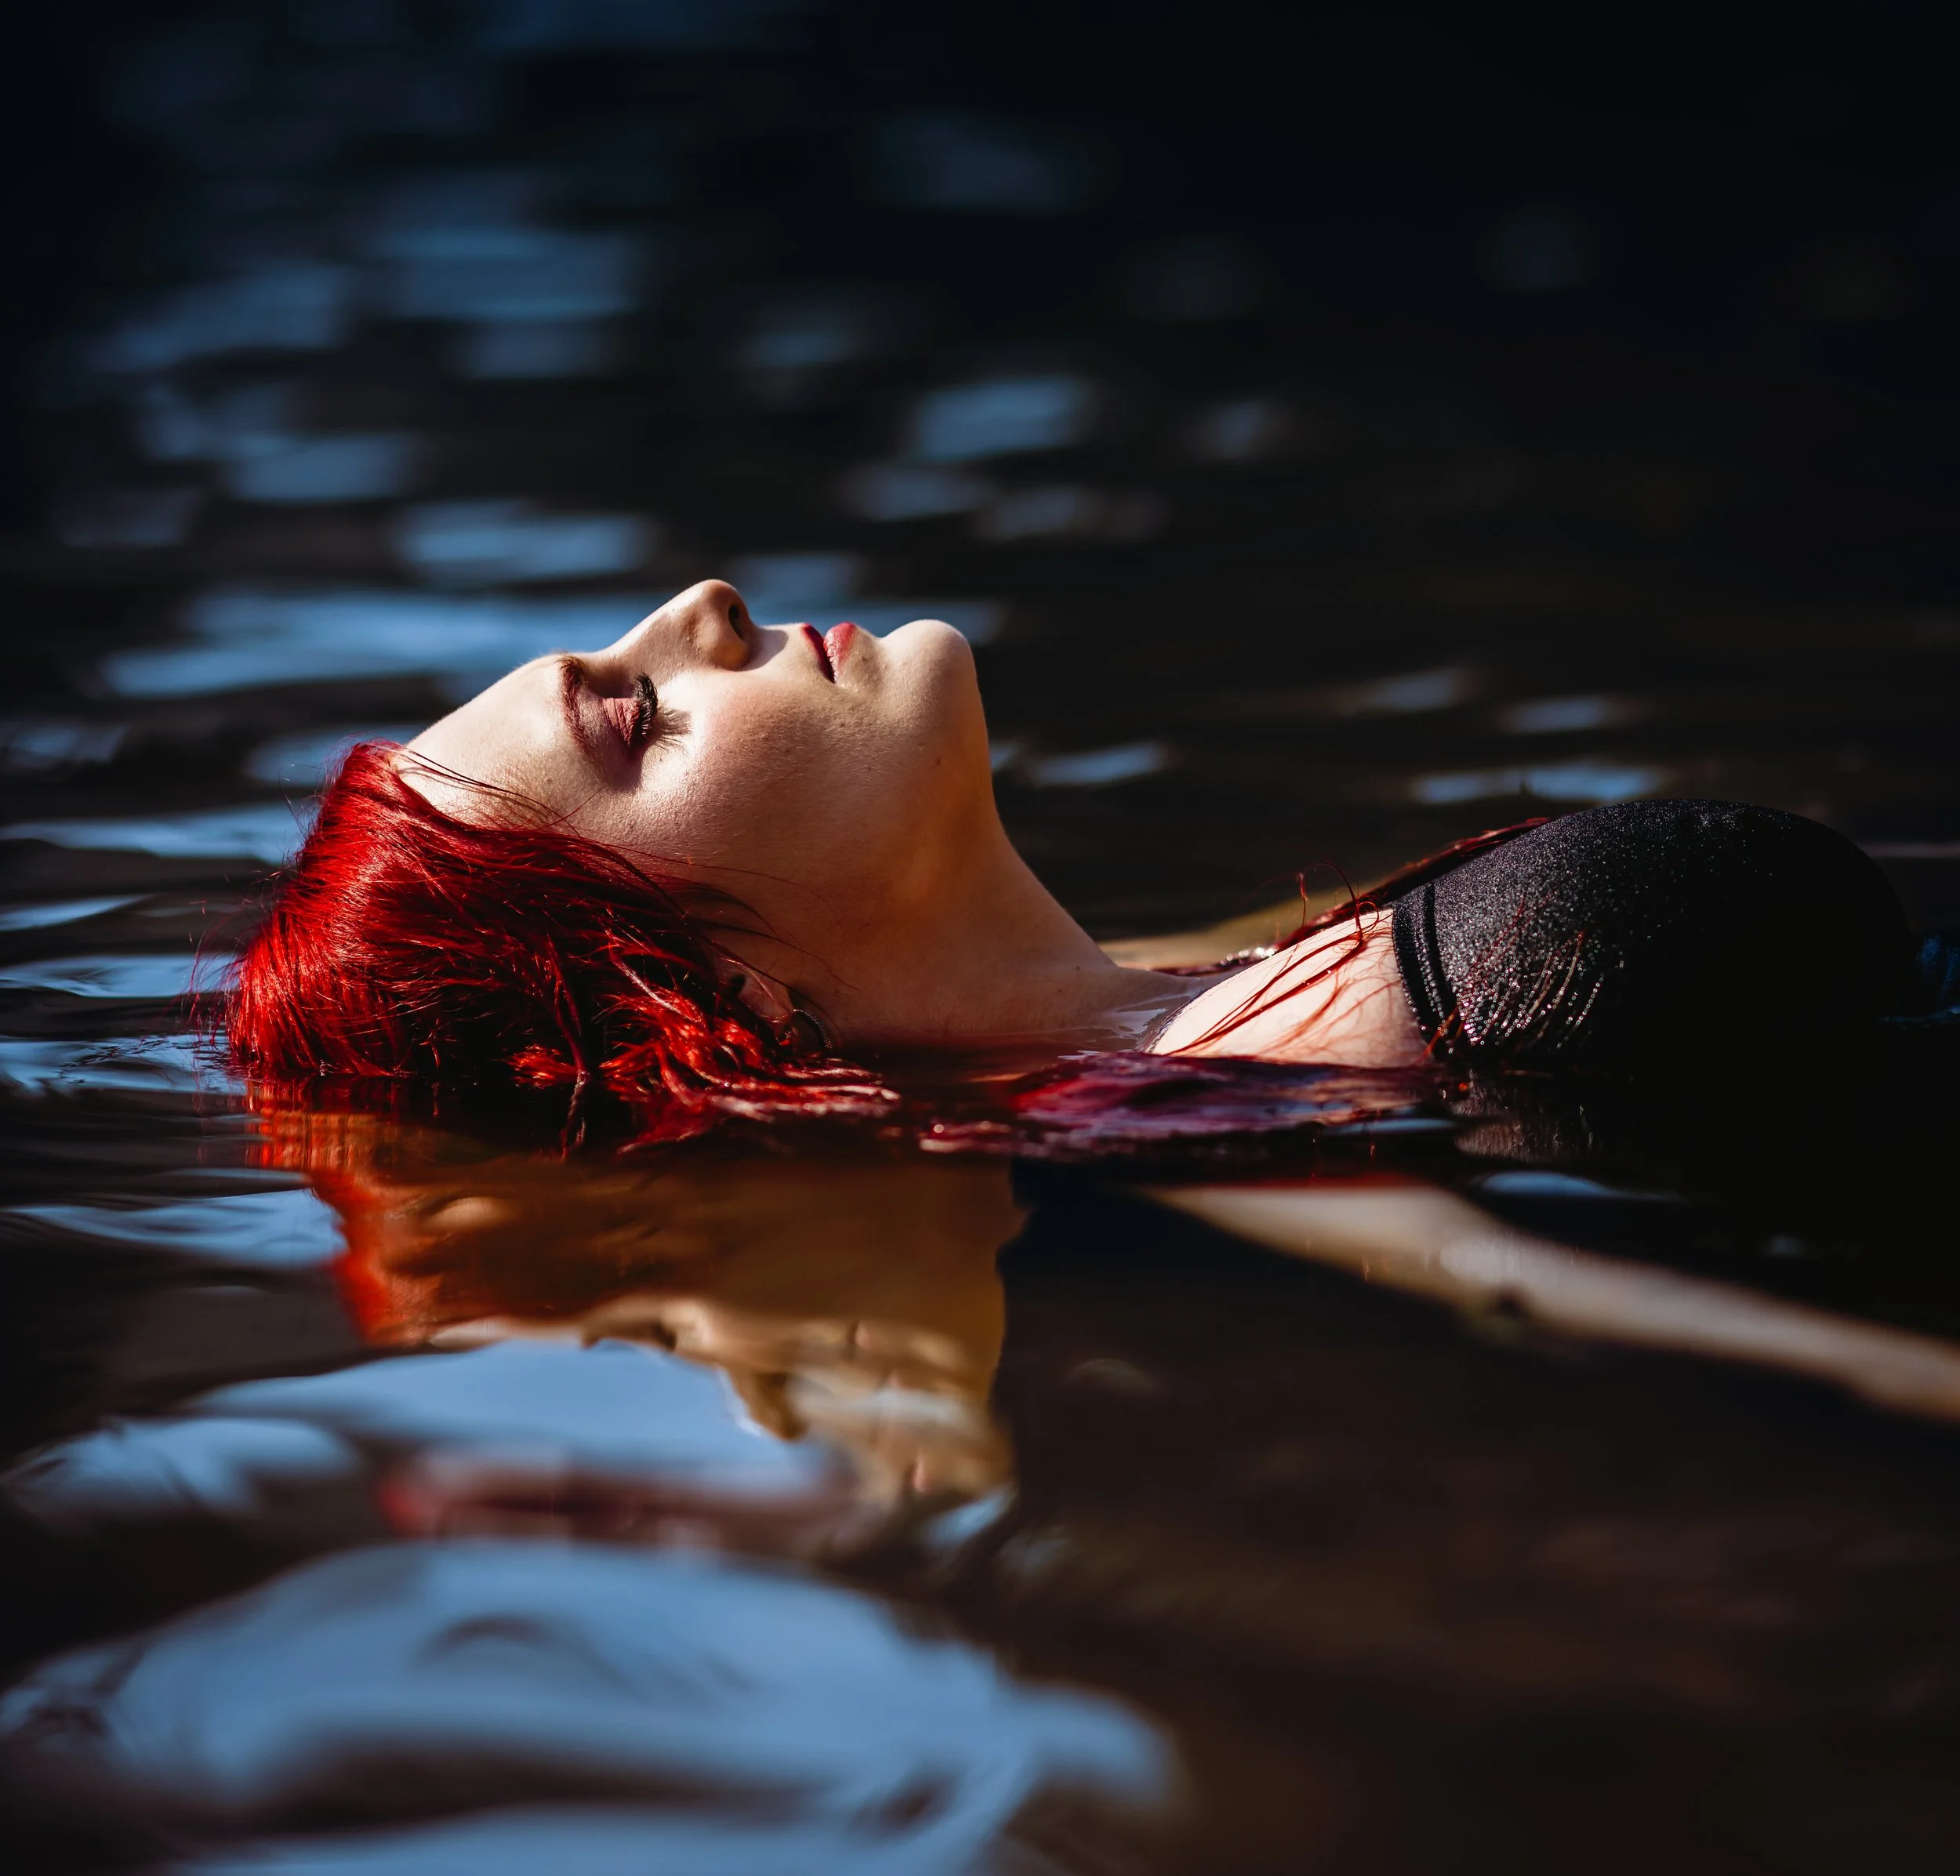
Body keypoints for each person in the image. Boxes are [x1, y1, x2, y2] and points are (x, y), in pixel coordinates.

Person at [227, 581, 1914, 1137]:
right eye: (631, 717)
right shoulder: (1395, 1032)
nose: (700, 606)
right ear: (728, 998)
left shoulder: (1206, 1004)